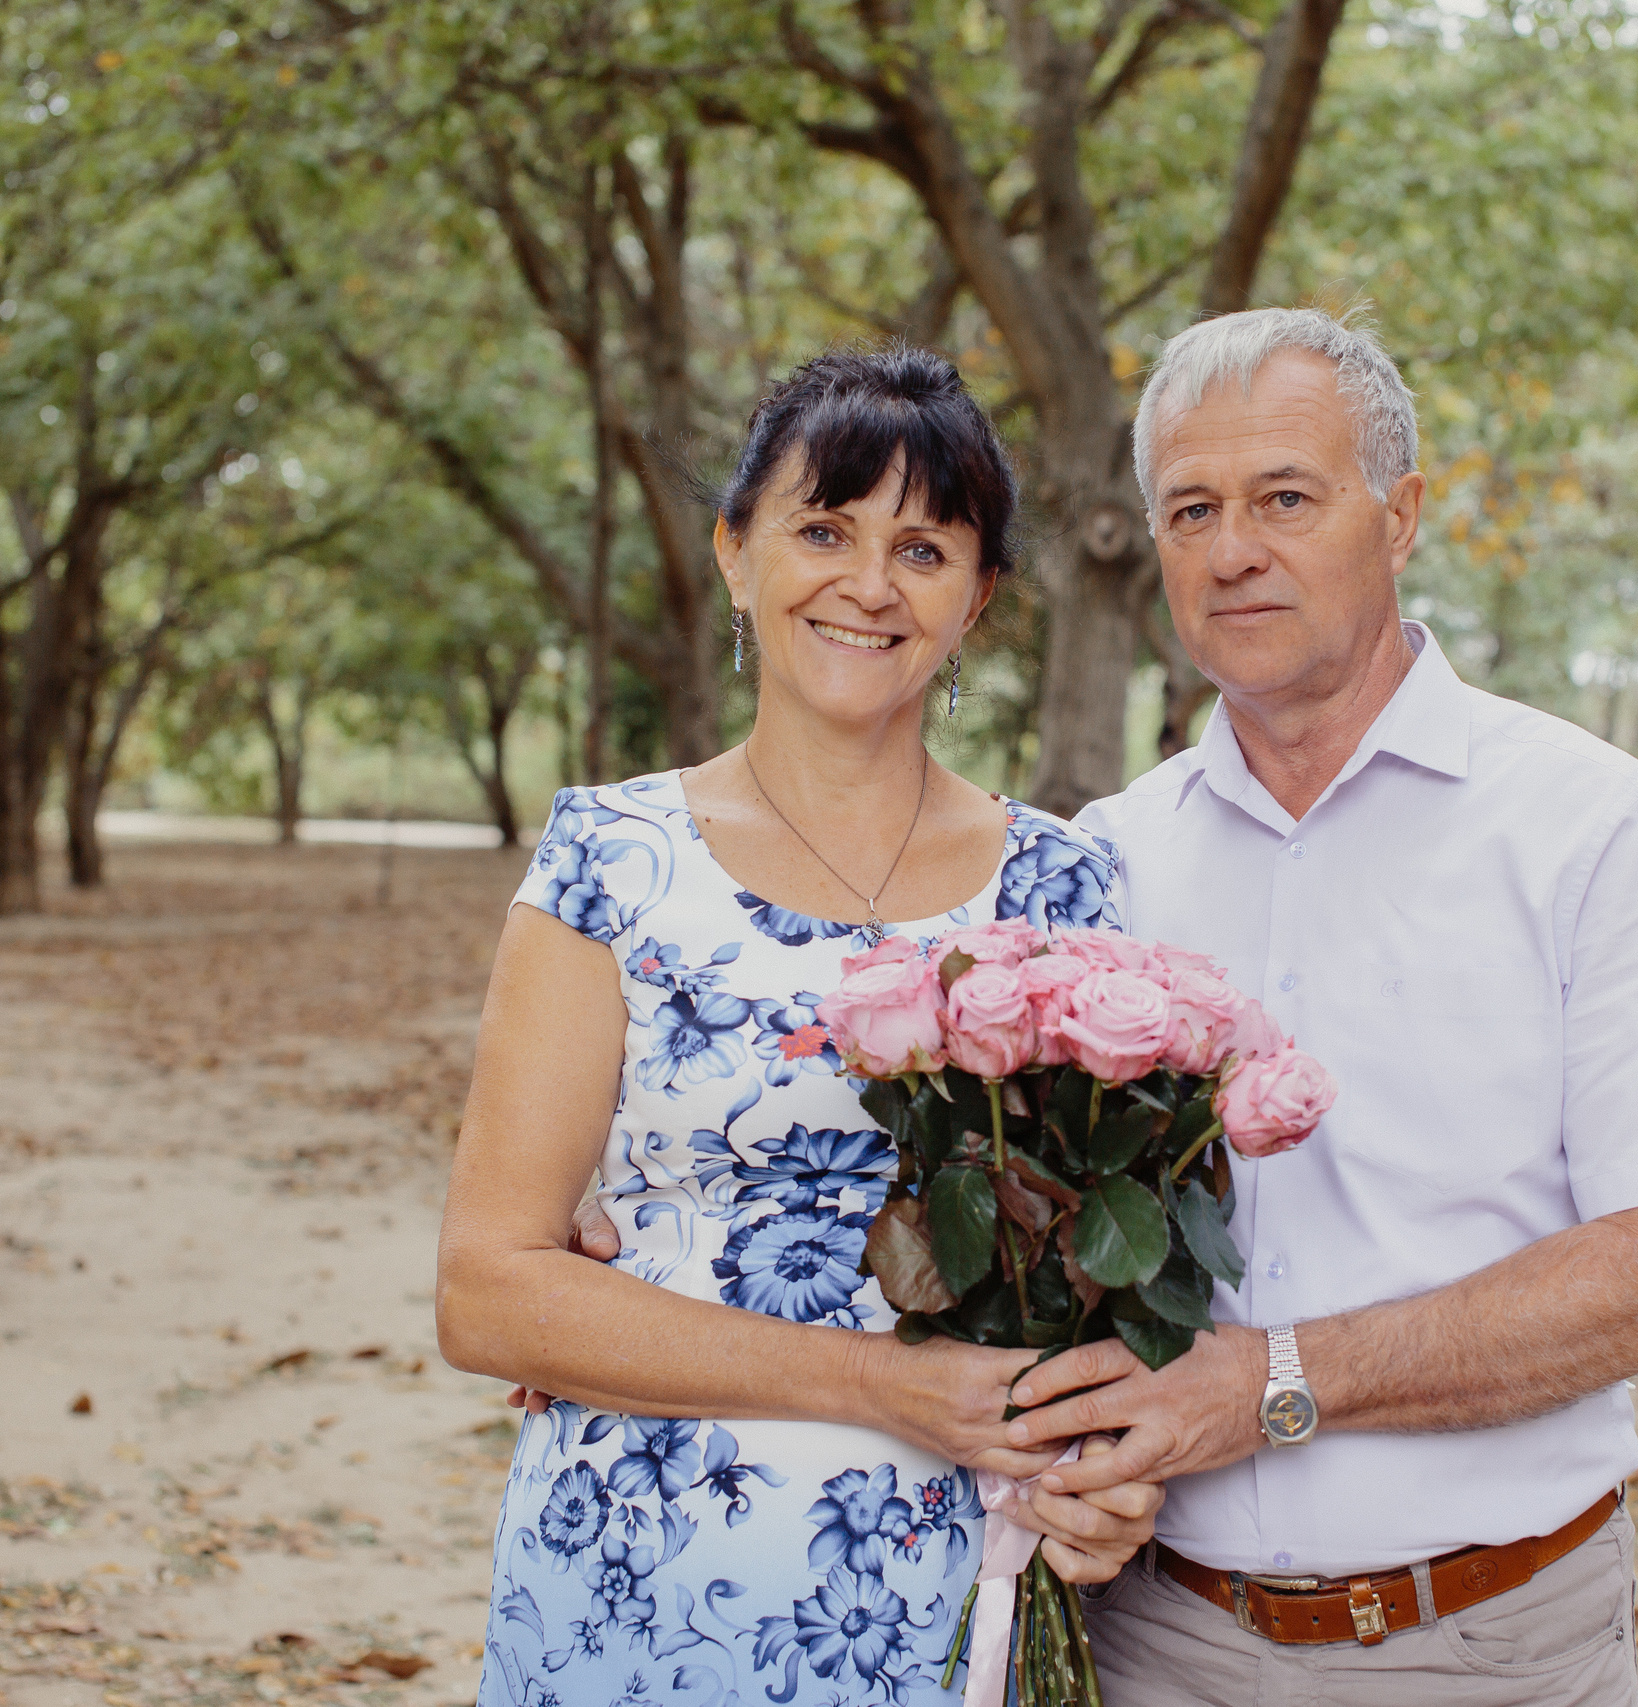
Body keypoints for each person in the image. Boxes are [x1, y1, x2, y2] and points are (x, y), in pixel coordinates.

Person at [993, 307, 1638, 1704]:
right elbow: (1033, 1234)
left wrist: (1278, 1380)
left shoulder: (1593, 828)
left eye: (1284, 498)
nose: (1233, 551)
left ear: (1402, 515)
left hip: (1484, 1645)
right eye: (1192, 510)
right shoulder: (1105, 861)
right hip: (1154, 1644)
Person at [438, 347, 1161, 1707]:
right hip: (631, 1579)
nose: (870, 584)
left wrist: (1111, 1479)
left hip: (959, 1590)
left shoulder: (1065, 886)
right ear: (734, 552)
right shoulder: (612, 861)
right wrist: (879, 1383)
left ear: (978, 599)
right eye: (824, 529)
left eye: (924, 550)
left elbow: (1107, 1280)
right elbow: (486, 1290)